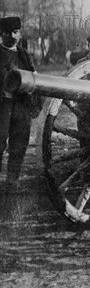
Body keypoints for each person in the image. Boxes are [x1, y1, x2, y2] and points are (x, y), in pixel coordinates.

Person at [0, 16, 39, 192]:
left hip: (22, 105)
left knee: (19, 144)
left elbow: (34, 78)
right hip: (3, 105)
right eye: (7, 33)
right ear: (1, 34)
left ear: (20, 33)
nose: (11, 36)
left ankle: (12, 180)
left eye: (15, 32)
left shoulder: (24, 55)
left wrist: (35, 103)